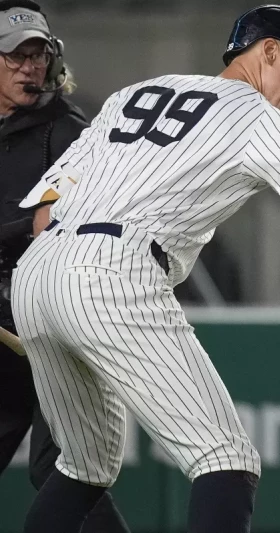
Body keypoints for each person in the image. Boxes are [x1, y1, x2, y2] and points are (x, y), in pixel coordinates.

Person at [11, 5, 280, 533]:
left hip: (36, 273)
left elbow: (46, 208)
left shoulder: (137, 92)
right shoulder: (259, 115)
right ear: (267, 51)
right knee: (226, 459)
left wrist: (57, 299)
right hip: (112, 270)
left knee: (84, 467)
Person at [0, 1, 130, 531]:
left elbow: (63, 225)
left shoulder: (71, 134)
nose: (31, 67)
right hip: (9, 331)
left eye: (39, 55)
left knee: (61, 470)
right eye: (16, 56)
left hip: (57, 325)